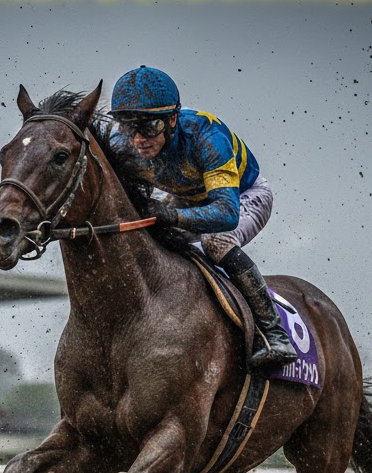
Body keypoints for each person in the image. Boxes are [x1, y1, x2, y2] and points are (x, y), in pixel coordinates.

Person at [108, 66, 296, 369]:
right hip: (186, 197)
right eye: (129, 128)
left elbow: (226, 214)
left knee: (216, 241)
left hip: (242, 196)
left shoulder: (207, 136)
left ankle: (274, 332)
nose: (139, 139)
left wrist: (171, 215)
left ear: (172, 119)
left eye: (149, 126)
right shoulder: (122, 143)